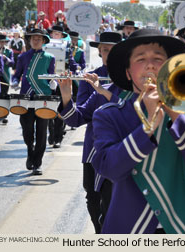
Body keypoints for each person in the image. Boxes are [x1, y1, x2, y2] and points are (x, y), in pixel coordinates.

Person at [91, 29, 185, 234]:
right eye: (141, 59)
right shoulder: (109, 115)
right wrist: (147, 126)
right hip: (131, 228)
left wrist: (176, 116)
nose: (150, 65)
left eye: (158, 59)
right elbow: (109, 169)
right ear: (128, 72)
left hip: (181, 226)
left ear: (171, 68)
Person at [59, 32, 124, 233]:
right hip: (93, 151)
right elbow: (77, 118)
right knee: (93, 199)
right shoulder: (90, 76)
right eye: (105, 50)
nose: (109, 54)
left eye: (113, 51)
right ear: (99, 52)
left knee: (115, 202)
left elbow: (130, 110)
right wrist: (66, 97)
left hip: (121, 151)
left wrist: (104, 91)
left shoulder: (129, 79)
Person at [11, 29, 55, 175]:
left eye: (39, 39)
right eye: (33, 38)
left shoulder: (50, 57)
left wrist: (53, 81)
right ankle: (30, 150)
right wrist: (15, 81)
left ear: (43, 41)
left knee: (42, 131)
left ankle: (37, 163)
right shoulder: (23, 57)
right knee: (27, 129)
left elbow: (50, 76)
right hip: (26, 98)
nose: (36, 41)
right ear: (29, 41)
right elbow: (17, 75)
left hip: (43, 98)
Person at [0, 34, 14, 124]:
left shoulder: (9, 51)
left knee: (4, 95)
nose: (1, 43)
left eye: (3, 42)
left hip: (5, 76)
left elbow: (12, 63)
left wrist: (5, 58)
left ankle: (4, 115)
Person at [68, 31, 86, 102]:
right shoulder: (64, 50)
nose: (73, 41)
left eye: (75, 40)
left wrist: (77, 67)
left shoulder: (80, 51)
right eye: (72, 39)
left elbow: (83, 65)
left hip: (75, 74)